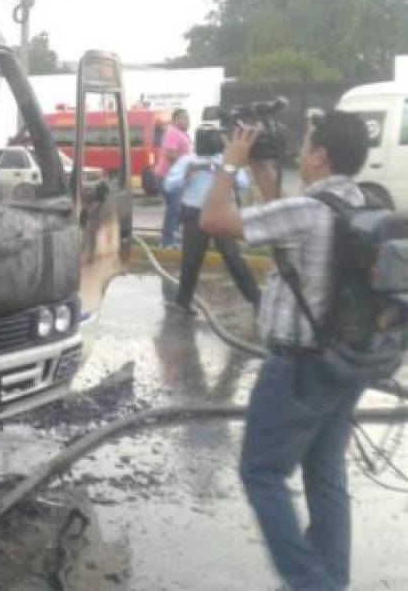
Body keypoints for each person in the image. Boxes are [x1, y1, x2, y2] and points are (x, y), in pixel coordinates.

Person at [199, 111, 371, 591]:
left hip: (299, 366)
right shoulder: (355, 202)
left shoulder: (310, 212)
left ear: (320, 155)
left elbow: (213, 218)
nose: (301, 149)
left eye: (308, 142)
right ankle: (331, 580)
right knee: (325, 471)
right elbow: (286, 236)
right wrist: (263, 176)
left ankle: (309, 583)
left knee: (261, 472)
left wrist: (229, 164)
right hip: (346, 361)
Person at [163, 149, 260, 314]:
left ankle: (257, 300)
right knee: (191, 260)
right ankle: (183, 302)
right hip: (194, 214)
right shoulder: (189, 160)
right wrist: (190, 171)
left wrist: (226, 169)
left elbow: (243, 184)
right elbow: (169, 185)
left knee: (233, 257)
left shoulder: (227, 159)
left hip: (221, 214)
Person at [156, 108, 192, 248]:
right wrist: (187, 163)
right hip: (168, 177)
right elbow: (170, 154)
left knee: (180, 208)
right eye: (184, 118)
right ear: (175, 119)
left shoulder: (183, 134)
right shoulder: (173, 133)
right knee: (174, 209)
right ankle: (167, 241)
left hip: (178, 177)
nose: (187, 121)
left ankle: (172, 236)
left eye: (188, 118)